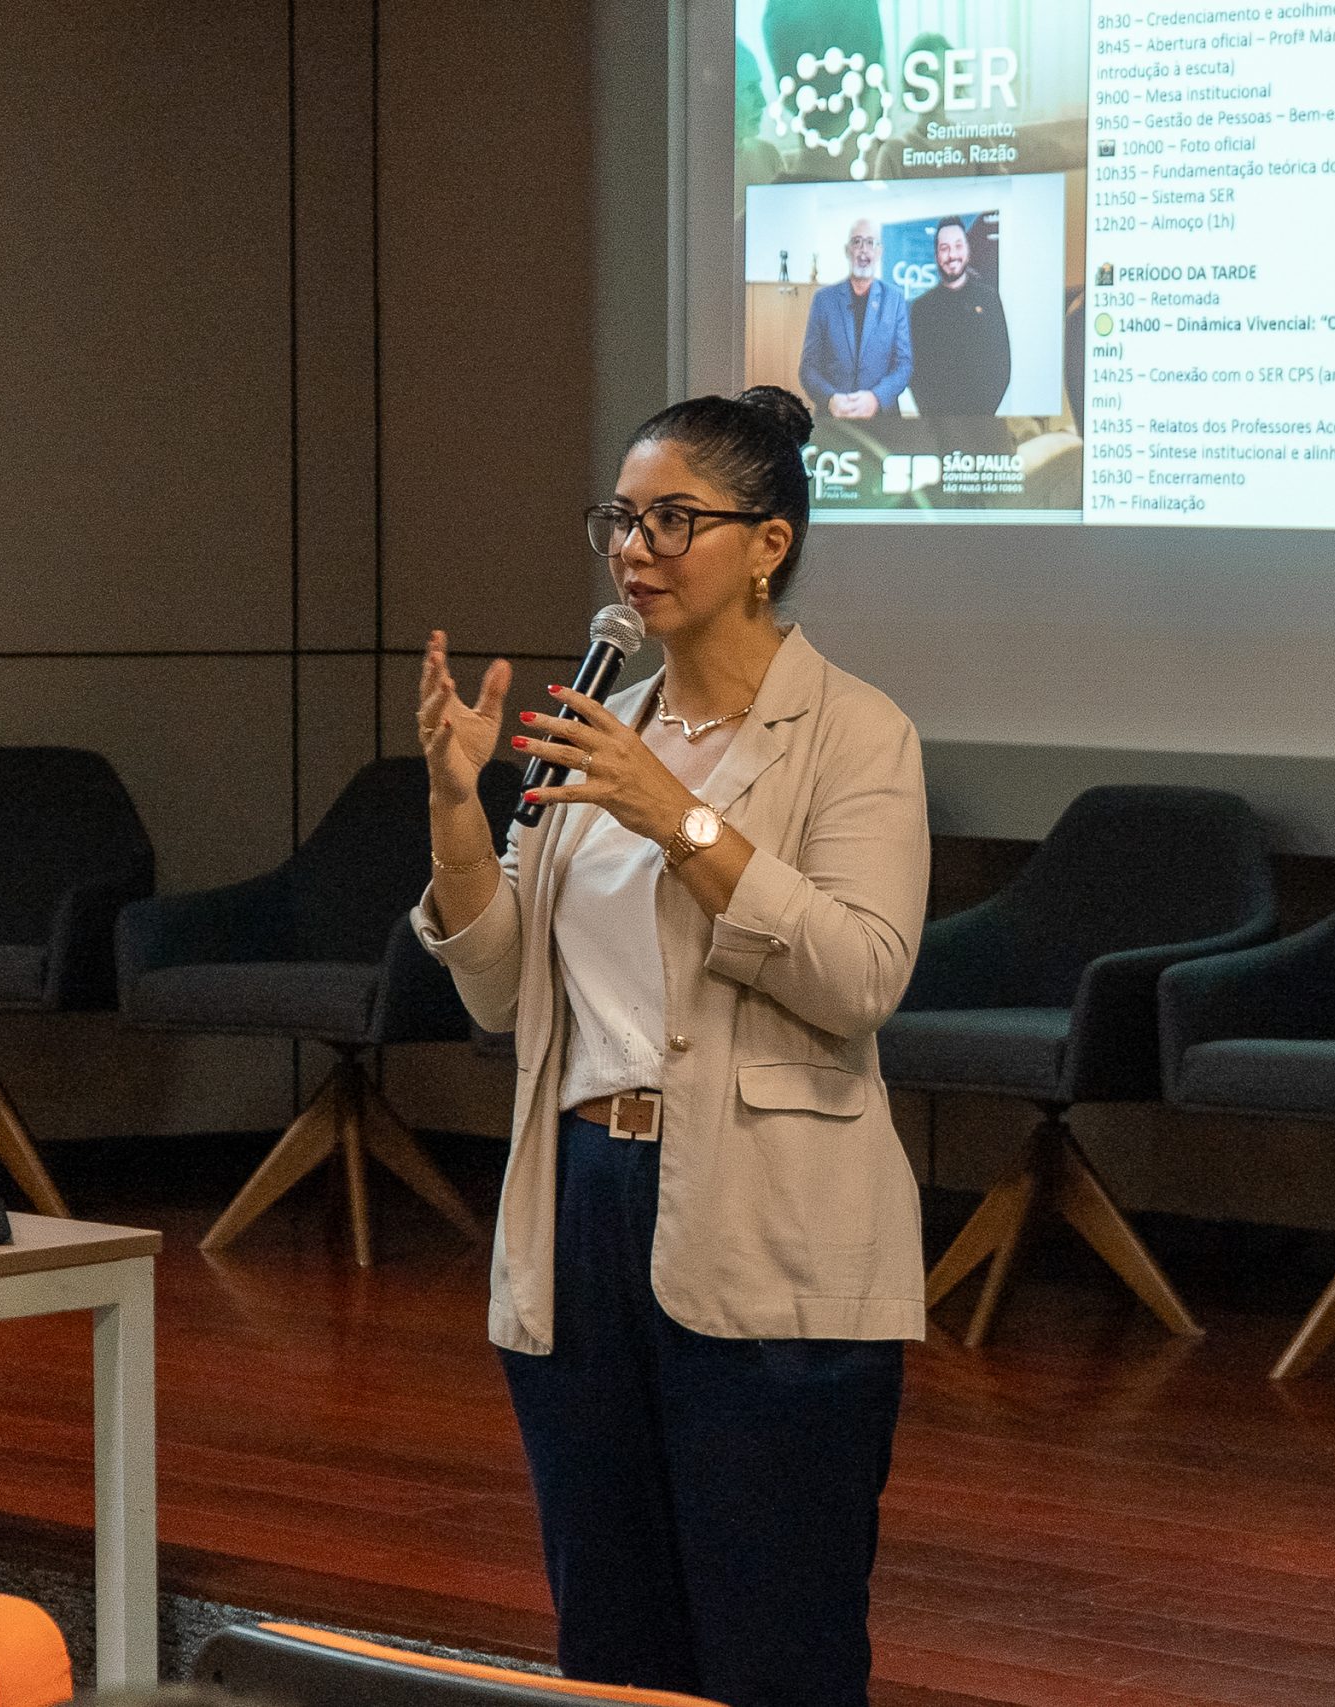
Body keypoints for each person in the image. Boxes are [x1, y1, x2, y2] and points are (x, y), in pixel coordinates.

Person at [411, 385, 928, 1707]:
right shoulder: (606, 726)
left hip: (771, 1220)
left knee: (777, 1635)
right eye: (622, 520)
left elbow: (860, 974)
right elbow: (500, 988)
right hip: (583, 1207)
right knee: (612, 1641)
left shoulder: (857, 734)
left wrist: (682, 820)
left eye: (673, 520)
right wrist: (457, 809)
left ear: (770, 542)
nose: (634, 549)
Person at [797, 220, 912, 421]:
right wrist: (830, 398)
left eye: (870, 242)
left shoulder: (894, 299)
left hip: (882, 420)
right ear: (847, 250)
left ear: (879, 251)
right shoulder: (824, 300)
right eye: (856, 242)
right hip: (834, 419)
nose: (863, 250)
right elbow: (808, 367)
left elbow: (904, 365)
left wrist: (876, 398)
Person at [905, 218, 1012, 417]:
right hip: (936, 424)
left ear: (967, 250)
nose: (952, 255)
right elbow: (915, 372)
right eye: (944, 248)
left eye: (958, 246)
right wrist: (933, 416)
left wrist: (982, 416)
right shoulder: (921, 308)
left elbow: (1002, 365)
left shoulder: (989, 299)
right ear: (937, 255)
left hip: (982, 421)